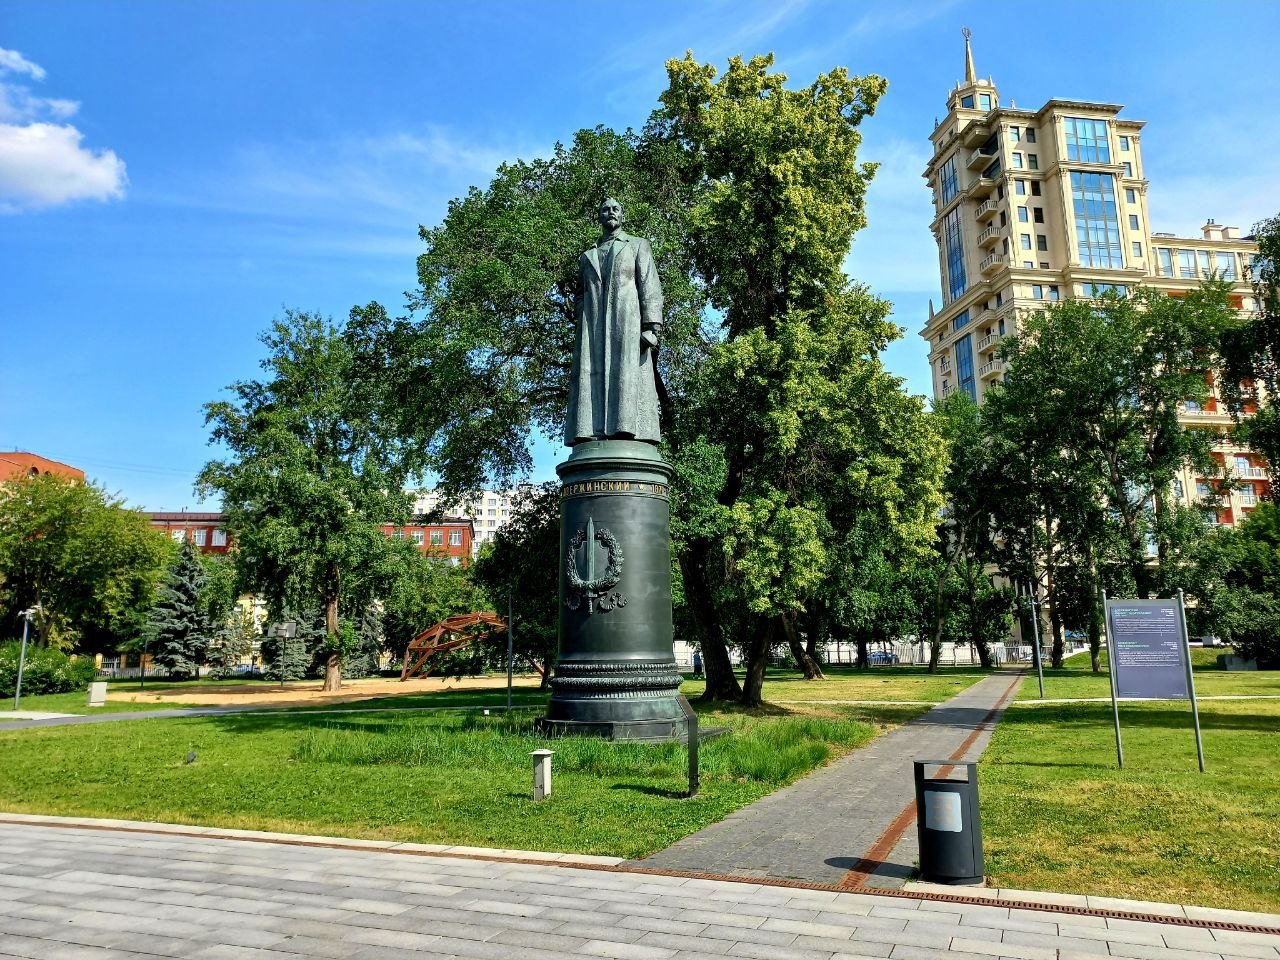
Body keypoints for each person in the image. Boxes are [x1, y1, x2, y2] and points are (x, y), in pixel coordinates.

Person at [565, 197, 664, 446]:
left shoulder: (637, 245)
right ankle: (592, 430)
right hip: (593, 329)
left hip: (627, 325)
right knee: (591, 378)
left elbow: (650, 286)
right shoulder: (587, 256)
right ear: (599, 216)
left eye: (615, 209)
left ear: (622, 216)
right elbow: (580, 293)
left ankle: (625, 429)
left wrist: (652, 327)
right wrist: (584, 314)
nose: (610, 212)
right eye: (605, 209)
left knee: (627, 377)